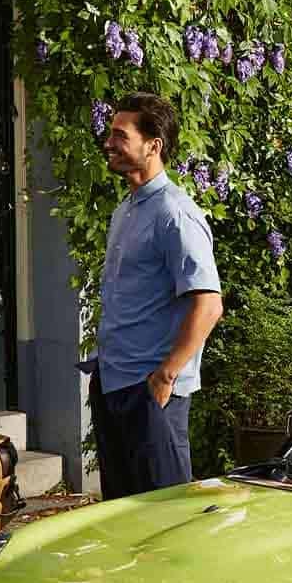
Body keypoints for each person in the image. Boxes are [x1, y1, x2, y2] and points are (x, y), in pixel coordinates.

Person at [92, 93, 224, 498]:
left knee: (161, 518)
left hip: (152, 394)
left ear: (154, 145)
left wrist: (166, 376)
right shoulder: (128, 208)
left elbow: (209, 304)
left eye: (120, 135)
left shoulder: (175, 214)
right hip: (115, 384)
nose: (109, 143)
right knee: (122, 515)